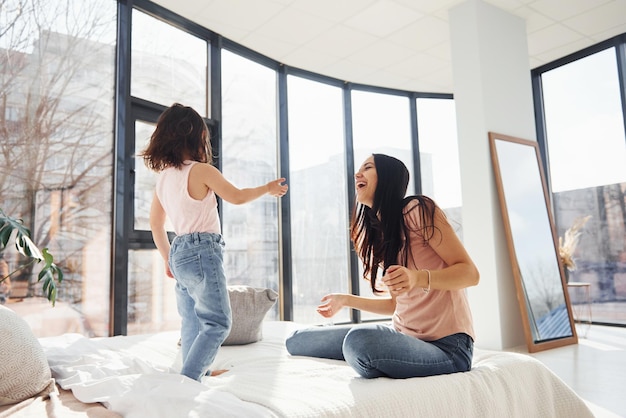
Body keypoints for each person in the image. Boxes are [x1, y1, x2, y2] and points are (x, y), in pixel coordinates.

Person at [286, 153, 479, 379]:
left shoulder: (418, 209)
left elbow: (470, 273)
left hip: (448, 347)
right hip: (403, 336)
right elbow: (394, 306)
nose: (357, 173)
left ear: (387, 177)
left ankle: (370, 358)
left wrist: (417, 278)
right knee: (296, 340)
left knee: (358, 341)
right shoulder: (383, 233)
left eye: (367, 167)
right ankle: (374, 359)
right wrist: (346, 300)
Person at [141, 103, 288, 381]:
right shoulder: (201, 171)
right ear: (196, 137)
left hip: (179, 251)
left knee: (192, 322)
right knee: (219, 322)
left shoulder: (163, 179)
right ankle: (189, 379)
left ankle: (199, 370)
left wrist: (167, 257)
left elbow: (155, 224)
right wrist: (267, 188)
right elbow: (237, 196)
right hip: (202, 250)